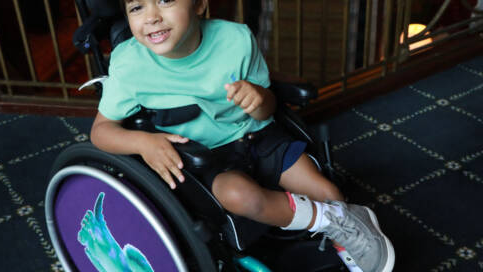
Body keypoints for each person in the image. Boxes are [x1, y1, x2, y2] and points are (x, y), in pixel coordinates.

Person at [89, 0, 395, 271]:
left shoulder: (235, 40)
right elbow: (101, 131)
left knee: (327, 191)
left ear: (199, 5)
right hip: (206, 159)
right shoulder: (129, 63)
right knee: (239, 197)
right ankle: (329, 220)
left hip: (257, 136)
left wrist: (259, 99)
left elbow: (267, 110)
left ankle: (344, 230)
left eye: (165, 0)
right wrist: (143, 142)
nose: (151, 17)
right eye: (136, 7)